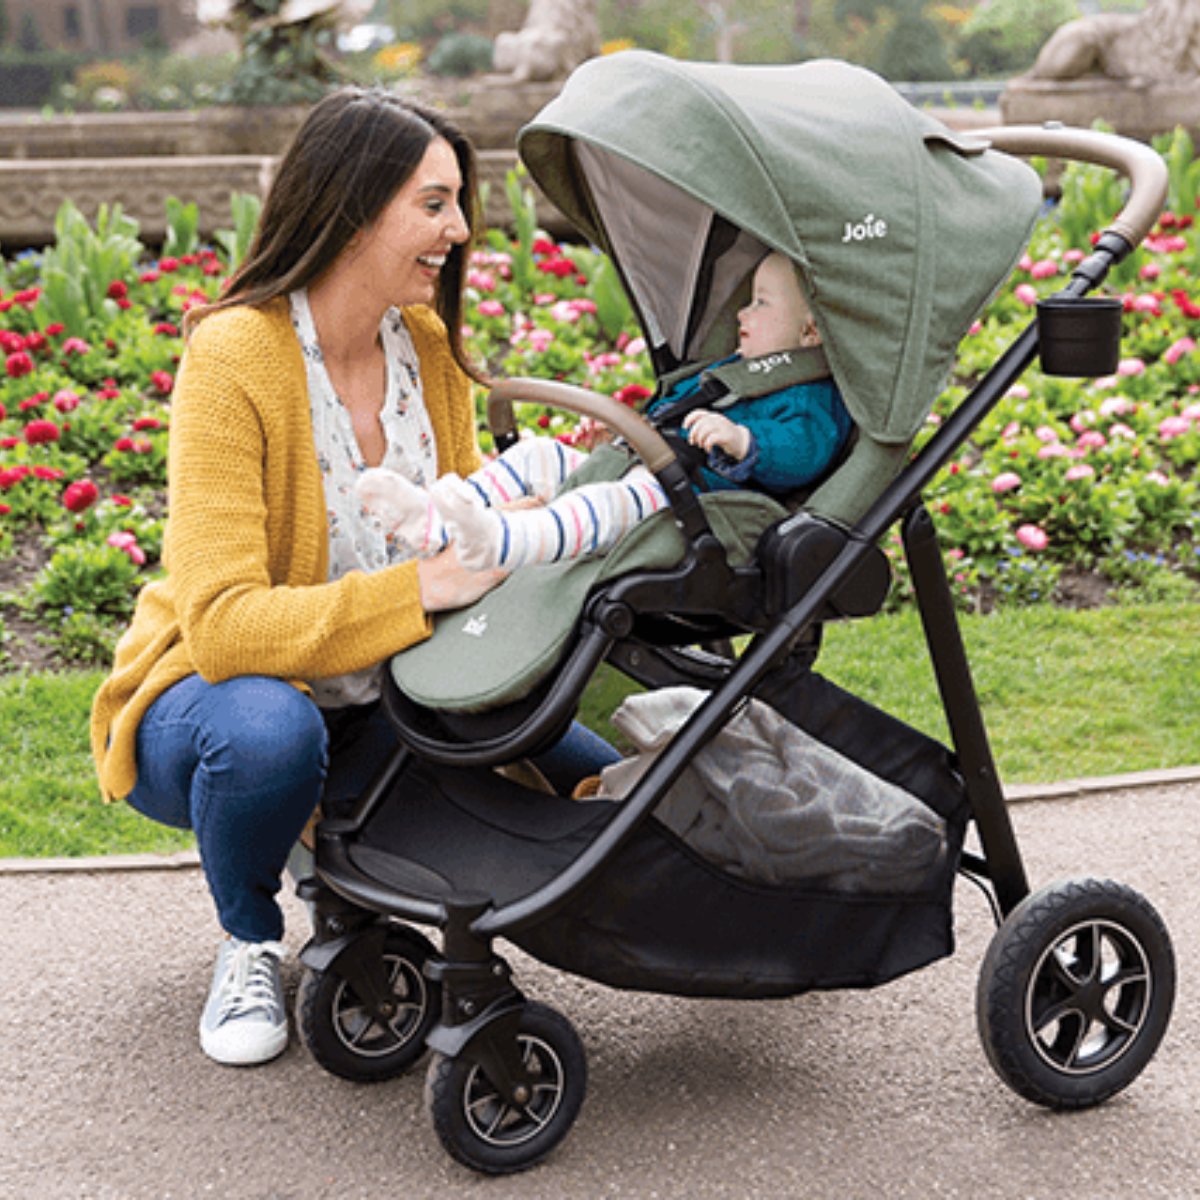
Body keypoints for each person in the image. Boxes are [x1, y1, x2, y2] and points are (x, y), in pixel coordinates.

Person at [88, 87, 617, 1069]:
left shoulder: (425, 349)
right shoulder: (235, 355)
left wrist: (526, 528)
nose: (460, 231)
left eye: (458, 204)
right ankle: (250, 938)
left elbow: (462, 533)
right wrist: (416, 593)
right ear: (351, 210)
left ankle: (337, 864)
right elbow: (224, 629)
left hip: (381, 693)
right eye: (434, 204)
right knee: (270, 737)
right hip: (212, 704)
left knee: (596, 768)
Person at [356, 251, 853, 571]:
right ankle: (431, 520)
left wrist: (745, 442)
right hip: (653, 472)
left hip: (693, 508)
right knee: (536, 455)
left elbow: (804, 451)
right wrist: (623, 441)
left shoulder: (808, 395)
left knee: (604, 506)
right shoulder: (732, 372)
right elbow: (670, 418)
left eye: (761, 304)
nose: (742, 313)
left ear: (810, 332)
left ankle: (498, 541)